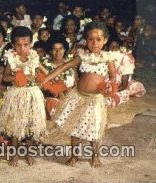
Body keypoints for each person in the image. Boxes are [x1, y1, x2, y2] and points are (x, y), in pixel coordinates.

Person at [43, 22, 116, 167]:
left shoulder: (108, 59)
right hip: (78, 96)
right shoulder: (82, 57)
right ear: (86, 40)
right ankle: (74, 156)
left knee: (95, 128)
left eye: (98, 39)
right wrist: (47, 78)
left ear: (105, 40)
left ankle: (95, 156)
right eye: (90, 39)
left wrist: (110, 85)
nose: (94, 43)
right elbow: (64, 66)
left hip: (95, 99)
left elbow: (113, 76)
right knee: (74, 127)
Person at [0, 26, 47, 166]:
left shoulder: (34, 57)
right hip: (17, 95)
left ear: (31, 44)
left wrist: (38, 77)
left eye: (25, 45)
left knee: (31, 125)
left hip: (32, 94)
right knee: (15, 126)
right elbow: (5, 78)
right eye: (18, 45)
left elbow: (42, 73)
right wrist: (16, 77)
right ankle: (15, 155)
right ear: (13, 45)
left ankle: (29, 153)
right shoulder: (12, 59)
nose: (22, 48)